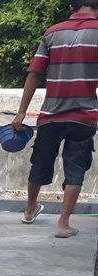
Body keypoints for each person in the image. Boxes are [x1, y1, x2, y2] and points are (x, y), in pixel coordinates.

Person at [14, 0, 98, 238]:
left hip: (51, 115)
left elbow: (34, 75)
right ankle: (63, 224)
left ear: (71, 8)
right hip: (84, 116)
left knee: (40, 162)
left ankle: (30, 210)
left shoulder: (52, 33)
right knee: (76, 169)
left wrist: (21, 113)